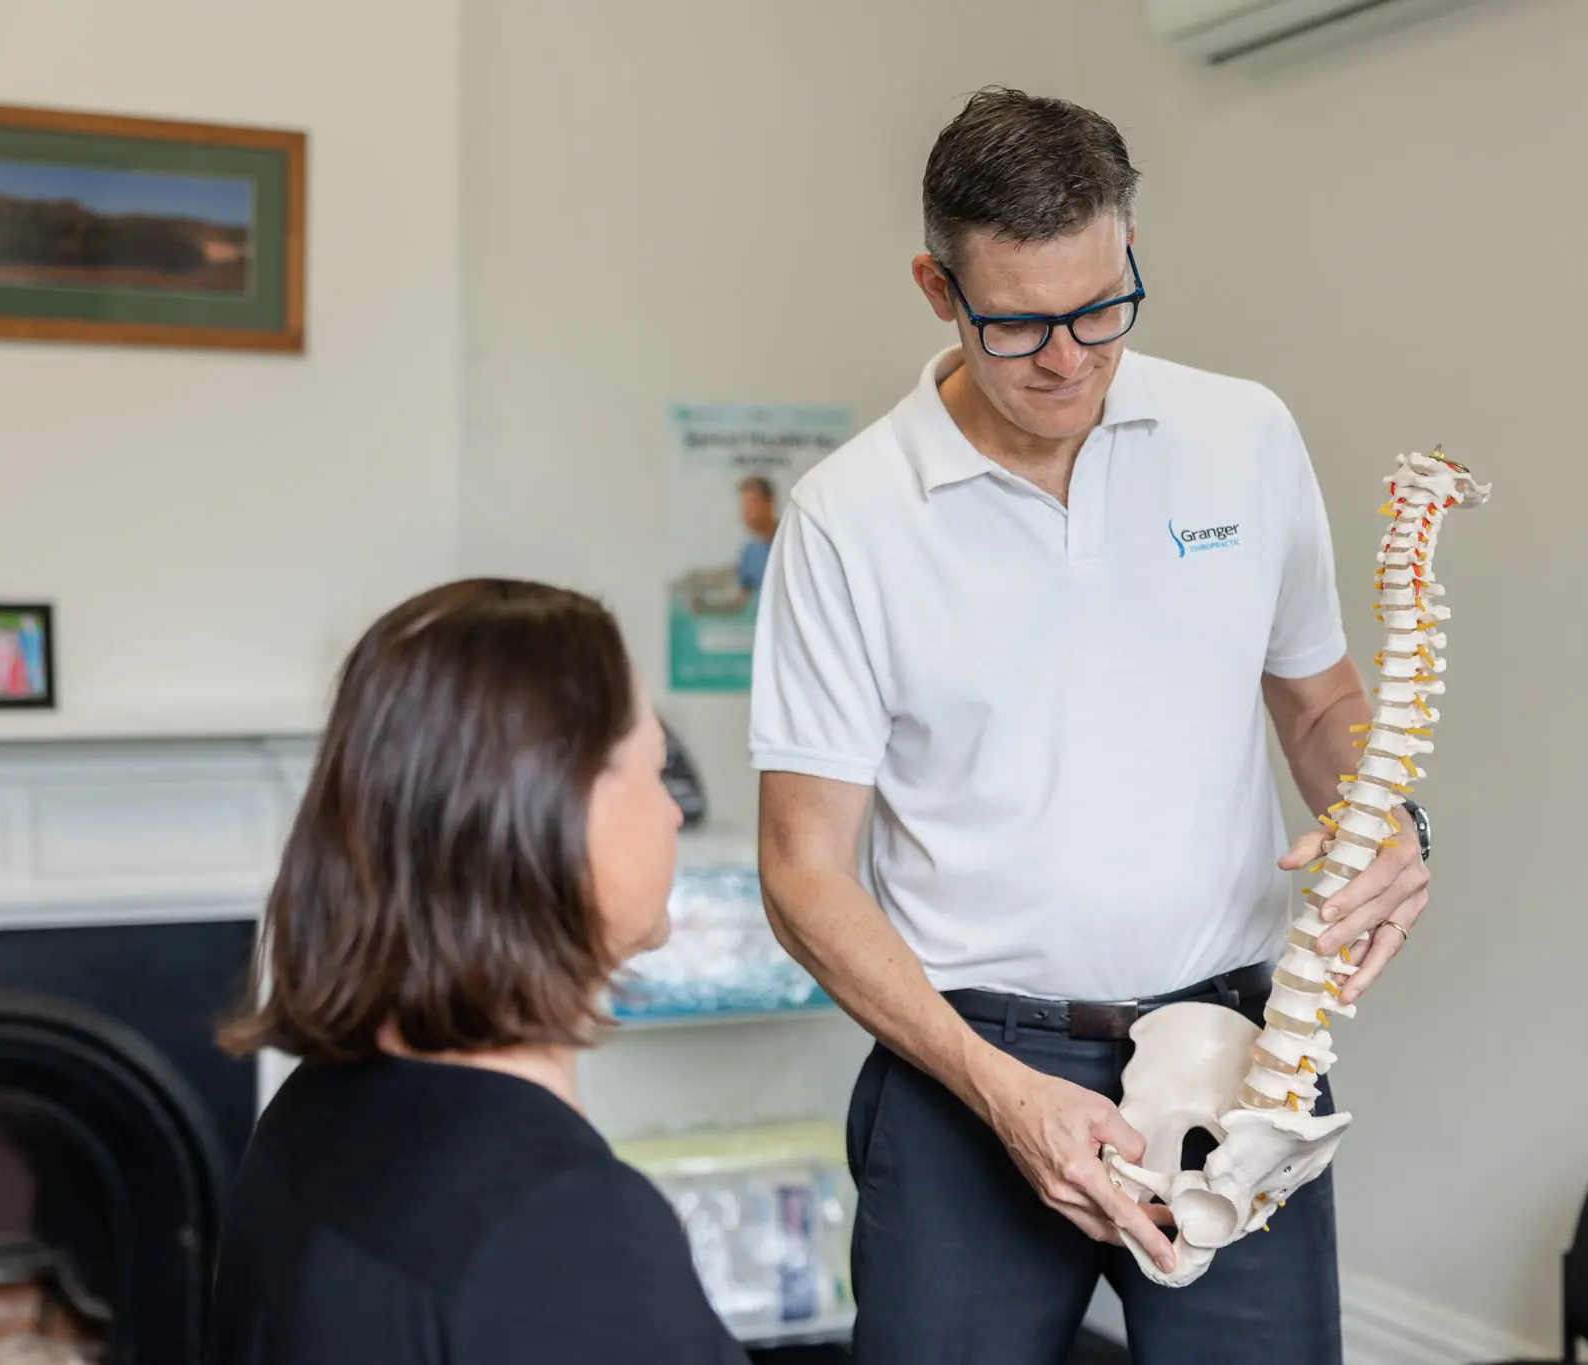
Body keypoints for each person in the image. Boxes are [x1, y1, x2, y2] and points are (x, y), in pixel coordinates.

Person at [749, 89, 1433, 1365]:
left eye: (1101, 308)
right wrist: (1003, 1096)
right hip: (969, 1066)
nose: (1066, 358)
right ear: (936, 288)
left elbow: (1321, 702)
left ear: (1127, 254)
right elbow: (801, 870)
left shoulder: (1243, 435)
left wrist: (1386, 819)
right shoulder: (849, 517)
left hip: (1240, 1053)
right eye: (1017, 324)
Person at [206, 579, 745, 1365]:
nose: (672, 812)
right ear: (556, 810)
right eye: (654, 768)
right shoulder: (560, 1225)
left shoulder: (312, 1109)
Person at [735, 475, 780, 596]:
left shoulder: (790, 544)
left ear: (768, 504)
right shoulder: (749, 552)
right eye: (743, 507)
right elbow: (742, 598)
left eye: (750, 505)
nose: (745, 513)